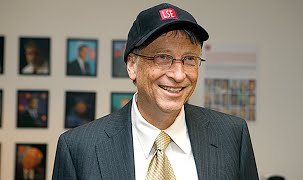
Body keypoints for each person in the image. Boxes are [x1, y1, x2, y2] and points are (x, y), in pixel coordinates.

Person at [53, 3, 259, 179]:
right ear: (132, 65)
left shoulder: (232, 136)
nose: (179, 75)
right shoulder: (78, 148)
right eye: (162, 57)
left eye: (189, 59)